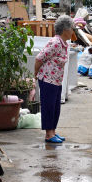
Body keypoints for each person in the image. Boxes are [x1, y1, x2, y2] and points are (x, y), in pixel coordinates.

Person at [35, 15, 75, 143]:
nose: (73, 32)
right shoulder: (55, 42)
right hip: (47, 80)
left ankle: (52, 132)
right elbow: (39, 58)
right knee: (49, 106)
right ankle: (48, 135)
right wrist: (35, 75)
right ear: (65, 30)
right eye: (71, 29)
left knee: (55, 107)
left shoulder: (63, 44)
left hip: (56, 80)